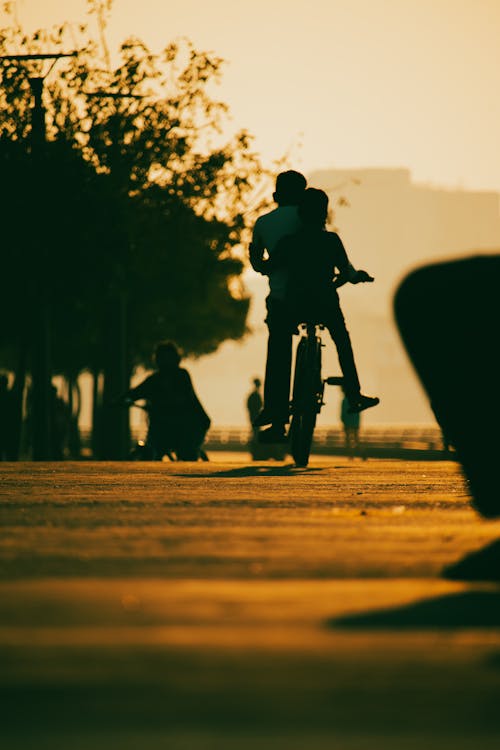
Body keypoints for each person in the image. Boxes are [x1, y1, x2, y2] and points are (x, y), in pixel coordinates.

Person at [255, 188, 379, 442]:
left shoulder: (289, 242)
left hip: (293, 307)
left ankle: (278, 417)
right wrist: (354, 278)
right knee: (342, 340)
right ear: (325, 215)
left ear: (301, 215)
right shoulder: (331, 241)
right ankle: (354, 394)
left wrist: (253, 254)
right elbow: (346, 272)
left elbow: (268, 267)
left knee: (281, 345)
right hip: (325, 304)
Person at [249, 170, 307, 433]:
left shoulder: (263, 223)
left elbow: (257, 262)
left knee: (278, 349)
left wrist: (266, 267)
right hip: (313, 298)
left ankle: (276, 414)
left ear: (275, 195)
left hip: (282, 301)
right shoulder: (310, 219)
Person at [119, 341, 210, 461]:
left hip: (187, 425)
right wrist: (120, 400)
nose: (163, 361)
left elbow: (185, 397)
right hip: (161, 425)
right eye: (161, 357)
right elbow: (136, 392)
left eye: (166, 358)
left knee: (186, 452)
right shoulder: (154, 380)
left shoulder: (181, 375)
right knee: (153, 445)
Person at [340, 388, 361, 457]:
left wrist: (343, 420)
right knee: (356, 439)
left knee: (348, 439)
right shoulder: (355, 400)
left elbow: (343, 413)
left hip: (348, 422)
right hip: (355, 422)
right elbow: (358, 412)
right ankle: (360, 453)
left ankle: (351, 454)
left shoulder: (345, 401)